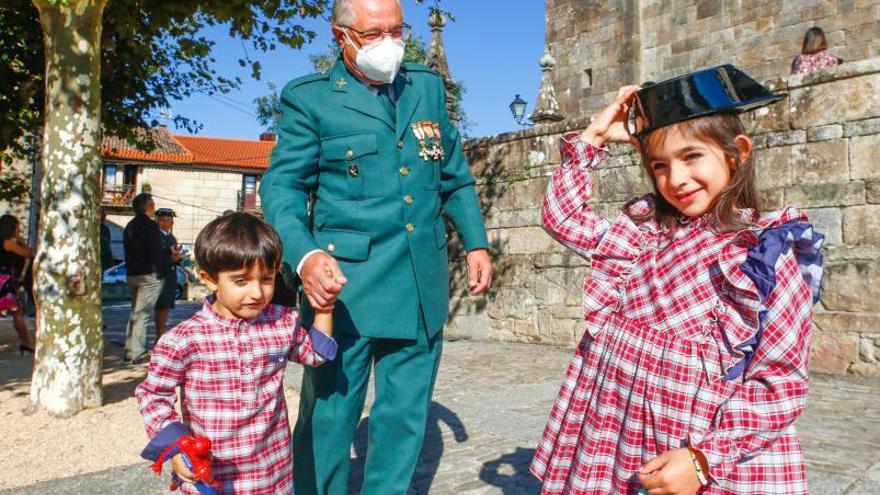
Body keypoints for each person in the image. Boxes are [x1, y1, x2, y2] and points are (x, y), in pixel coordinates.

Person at [531, 66, 824, 495]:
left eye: (692, 157)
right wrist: (594, 136)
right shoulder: (646, 232)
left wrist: (703, 461)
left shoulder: (763, 255)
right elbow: (564, 218)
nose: (677, 179)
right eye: (660, 165)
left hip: (693, 454)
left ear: (736, 153)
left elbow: (780, 382)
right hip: (615, 431)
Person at [259, 0, 493, 492]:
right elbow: (282, 189)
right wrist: (304, 255)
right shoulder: (311, 99)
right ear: (339, 34)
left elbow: (454, 177)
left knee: (405, 418)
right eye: (372, 33)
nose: (388, 43)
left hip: (419, 282)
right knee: (329, 418)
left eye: (396, 30)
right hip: (343, 289)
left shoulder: (425, 87)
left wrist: (476, 243)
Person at [135, 213, 338, 495]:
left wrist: (325, 307)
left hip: (272, 473)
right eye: (241, 280)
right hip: (211, 478)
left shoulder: (282, 321)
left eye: (266, 278)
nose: (257, 292)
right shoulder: (183, 340)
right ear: (209, 279)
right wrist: (176, 447)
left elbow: (315, 354)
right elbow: (153, 394)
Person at [123, 193, 167, 364]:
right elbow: (155, 251)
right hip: (149, 274)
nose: (154, 208)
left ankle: (129, 349)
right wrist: (161, 271)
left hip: (133, 273)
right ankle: (138, 353)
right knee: (143, 314)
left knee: (135, 313)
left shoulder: (130, 226)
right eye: (153, 205)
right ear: (148, 207)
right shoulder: (151, 226)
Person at [0, 214, 35, 354]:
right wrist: (20, 239)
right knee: (17, 313)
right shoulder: (8, 243)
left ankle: (26, 343)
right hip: (3, 282)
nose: (19, 229)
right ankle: (26, 343)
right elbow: (28, 252)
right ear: (12, 228)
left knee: (16, 313)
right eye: (17, 226)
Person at [153, 207, 183, 340]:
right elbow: (154, 258)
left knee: (164, 309)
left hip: (169, 276)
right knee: (159, 309)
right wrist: (172, 258)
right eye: (163, 220)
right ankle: (159, 337)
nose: (166, 223)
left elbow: (174, 258)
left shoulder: (171, 238)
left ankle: (160, 336)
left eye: (169, 220)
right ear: (157, 221)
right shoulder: (155, 236)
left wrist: (178, 258)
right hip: (159, 276)